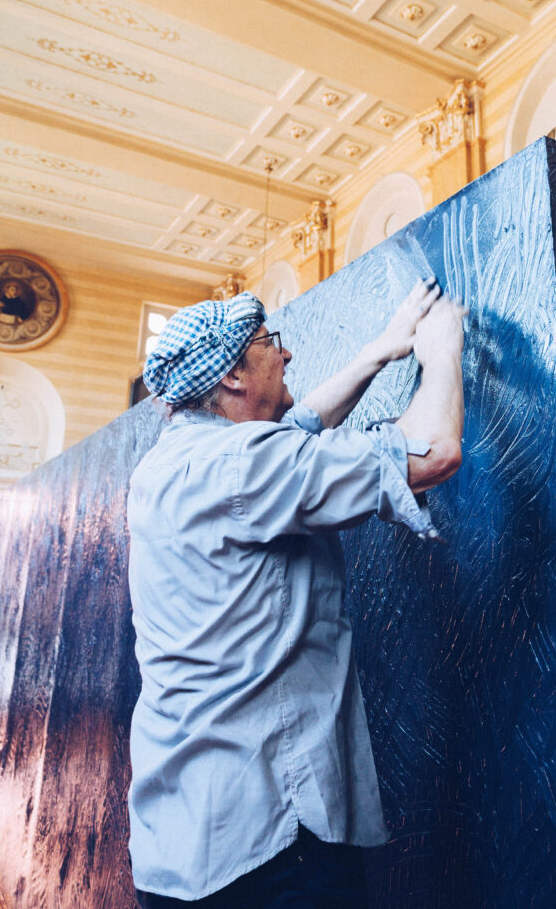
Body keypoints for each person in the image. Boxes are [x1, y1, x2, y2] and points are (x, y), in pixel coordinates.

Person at [127, 278, 467, 908]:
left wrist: (378, 351)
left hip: (179, 843)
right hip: (269, 846)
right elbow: (434, 452)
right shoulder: (242, 467)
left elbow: (296, 431)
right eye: (267, 344)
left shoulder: (168, 466)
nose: (285, 355)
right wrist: (441, 350)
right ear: (232, 375)